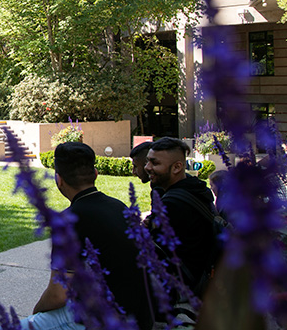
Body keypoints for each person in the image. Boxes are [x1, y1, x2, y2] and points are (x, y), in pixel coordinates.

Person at [15, 142, 153, 330]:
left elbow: (58, 296)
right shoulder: (118, 206)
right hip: (139, 315)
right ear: (95, 174)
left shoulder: (67, 221)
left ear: (59, 180)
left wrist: (37, 311)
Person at [145, 137, 218, 296]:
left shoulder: (173, 203)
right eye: (147, 161)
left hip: (184, 284)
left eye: (155, 163)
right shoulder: (196, 188)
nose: (147, 167)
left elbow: (153, 249)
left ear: (177, 167)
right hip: (198, 274)